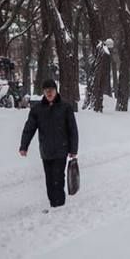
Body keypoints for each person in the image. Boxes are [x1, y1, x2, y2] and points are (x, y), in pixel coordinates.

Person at [19, 79, 79, 210]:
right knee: (49, 181)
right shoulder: (37, 109)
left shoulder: (65, 107)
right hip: (46, 151)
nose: (49, 93)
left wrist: (73, 149)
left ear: (56, 91)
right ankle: (54, 205)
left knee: (58, 179)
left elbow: (72, 129)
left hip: (61, 150)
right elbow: (29, 128)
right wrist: (24, 146)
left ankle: (59, 206)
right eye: (46, 91)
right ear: (43, 92)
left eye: (51, 90)